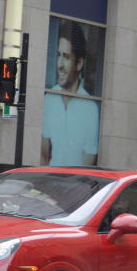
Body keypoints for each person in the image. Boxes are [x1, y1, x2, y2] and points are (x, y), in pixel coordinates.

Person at [41, 20, 99, 166]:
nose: (59, 64)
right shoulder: (49, 98)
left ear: (79, 64)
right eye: (59, 55)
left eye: (66, 57)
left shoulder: (90, 108)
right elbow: (43, 153)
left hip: (76, 186)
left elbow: (89, 162)